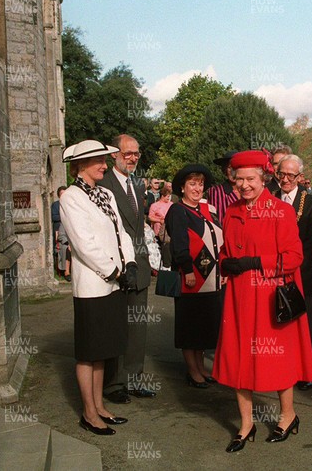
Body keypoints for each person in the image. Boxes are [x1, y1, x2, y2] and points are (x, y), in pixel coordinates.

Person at [212, 150, 312, 452]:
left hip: (269, 296)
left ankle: (288, 415)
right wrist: (225, 263)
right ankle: (246, 425)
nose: (244, 185)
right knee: (239, 358)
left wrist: (256, 262)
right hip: (239, 297)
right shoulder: (230, 212)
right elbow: (227, 252)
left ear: (264, 179)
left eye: (251, 179)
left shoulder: (281, 212)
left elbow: (294, 258)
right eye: (239, 179)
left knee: (277, 359)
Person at [60, 140, 136, 435]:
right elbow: (83, 244)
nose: (105, 165)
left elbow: (122, 232)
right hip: (93, 285)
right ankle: (89, 413)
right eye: (98, 162)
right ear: (80, 166)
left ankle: (101, 406)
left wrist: (129, 263)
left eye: (105, 160)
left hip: (114, 283)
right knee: (89, 352)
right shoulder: (72, 198)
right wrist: (116, 271)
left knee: (104, 349)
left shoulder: (105, 193)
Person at [99, 134, 155, 404]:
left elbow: (138, 227)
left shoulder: (137, 184)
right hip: (116, 267)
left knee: (137, 328)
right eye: (127, 153)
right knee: (116, 326)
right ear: (114, 155)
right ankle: (113, 385)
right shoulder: (103, 184)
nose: (133, 158)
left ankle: (134, 379)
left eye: (136, 153)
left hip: (139, 266)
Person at [165, 164, 223, 388]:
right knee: (190, 328)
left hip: (211, 279)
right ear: (182, 187)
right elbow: (179, 244)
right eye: (192, 184)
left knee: (202, 328)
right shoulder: (178, 211)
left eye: (200, 184)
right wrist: (187, 269)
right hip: (191, 278)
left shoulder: (208, 210)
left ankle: (200, 368)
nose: (197, 188)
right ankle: (193, 372)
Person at [274, 154, 312, 391]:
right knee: (280, 325)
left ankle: (305, 372)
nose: (284, 179)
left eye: (290, 176)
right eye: (281, 174)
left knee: (304, 324)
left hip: (301, 273)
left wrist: (291, 267)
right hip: (274, 273)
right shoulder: (271, 199)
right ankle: (283, 368)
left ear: (299, 177)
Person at [206, 150, 240, 222]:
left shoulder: (249, 191)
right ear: (225, 170)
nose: (233, 171)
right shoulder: (216, 192)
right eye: (230, 167)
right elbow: (216, 221)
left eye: (236, 167)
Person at [52, 186, 67, 275]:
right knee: (59, 246)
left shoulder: (71, 203)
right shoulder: (55, 205)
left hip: (68, 227)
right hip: (58, 227)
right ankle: (59, 268)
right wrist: (64, 217)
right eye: (62, 194)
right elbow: (54, 216)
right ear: (59, 195)